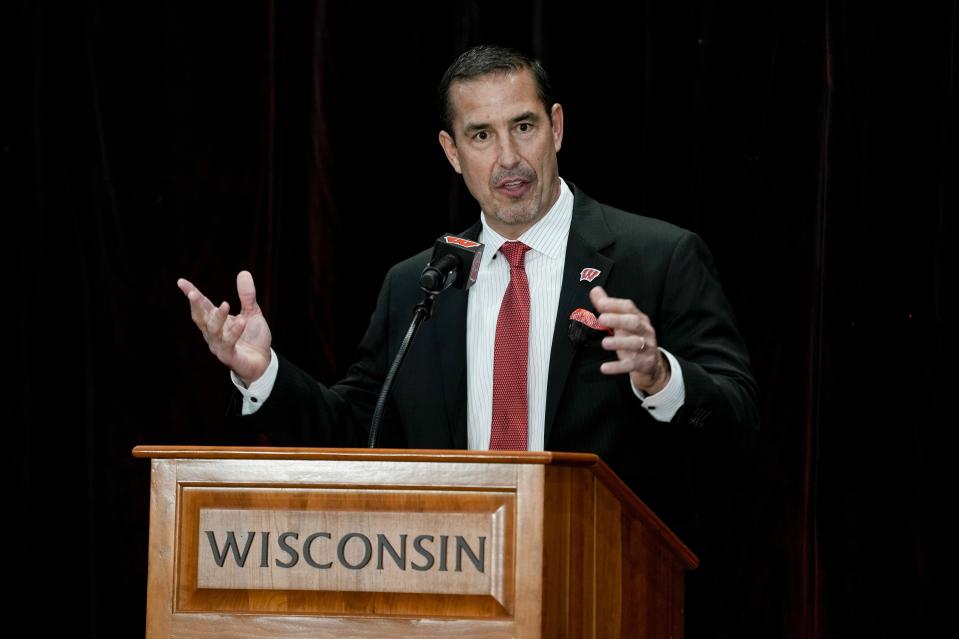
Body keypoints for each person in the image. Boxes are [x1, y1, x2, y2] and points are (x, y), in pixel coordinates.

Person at [177, 45, 758, 590]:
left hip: (609, 584)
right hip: (456, 588)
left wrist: (662, 377)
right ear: (452, 152)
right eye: (481, 135)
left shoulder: (657, 258)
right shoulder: (417, 285)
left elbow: (738, 419)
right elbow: (361, 431)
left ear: (556, 127)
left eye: (523, 127)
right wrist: (263, 375)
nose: (508, 157)